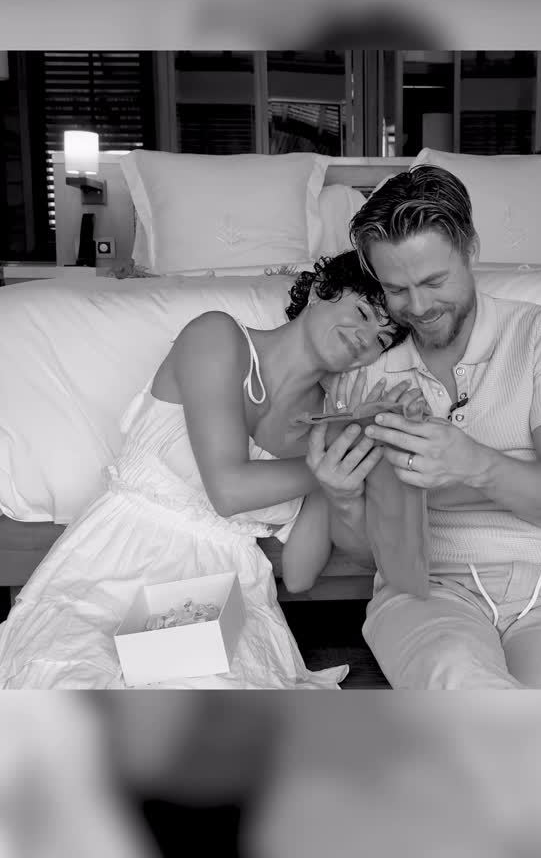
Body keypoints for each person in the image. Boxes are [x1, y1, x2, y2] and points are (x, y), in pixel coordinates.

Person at [0, 252, 411, 690]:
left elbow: (299, 574)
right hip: (116, 562)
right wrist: (326, 464)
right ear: (319, 290)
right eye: (363, 313)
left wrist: (347, 463)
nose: (365, 339)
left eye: (382, 339)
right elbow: (227, 491)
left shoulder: (330, 423)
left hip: (226, 593)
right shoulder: (217, 336)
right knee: (68, 690)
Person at [306, 166, 541, 689]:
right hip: (428, 592)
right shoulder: (366, 369)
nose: (418, 308)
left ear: (471, 248)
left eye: (434, 282)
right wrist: (343, 499)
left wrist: (474, 464)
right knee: (462, 684)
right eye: (396, 289)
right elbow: (373, 554)